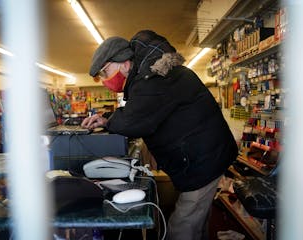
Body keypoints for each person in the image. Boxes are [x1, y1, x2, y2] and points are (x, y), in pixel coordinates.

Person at [82, 30, 238, 240]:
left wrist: (109, 121)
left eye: (104, 72)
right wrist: (108, 119)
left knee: (182, 227)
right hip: (205, 155)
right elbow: (138, 112)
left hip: (204, 161)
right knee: (197, 220)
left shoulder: (151, 79)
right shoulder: (151, 73)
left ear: (124, 63)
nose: (104, 80)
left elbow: (133, 121)